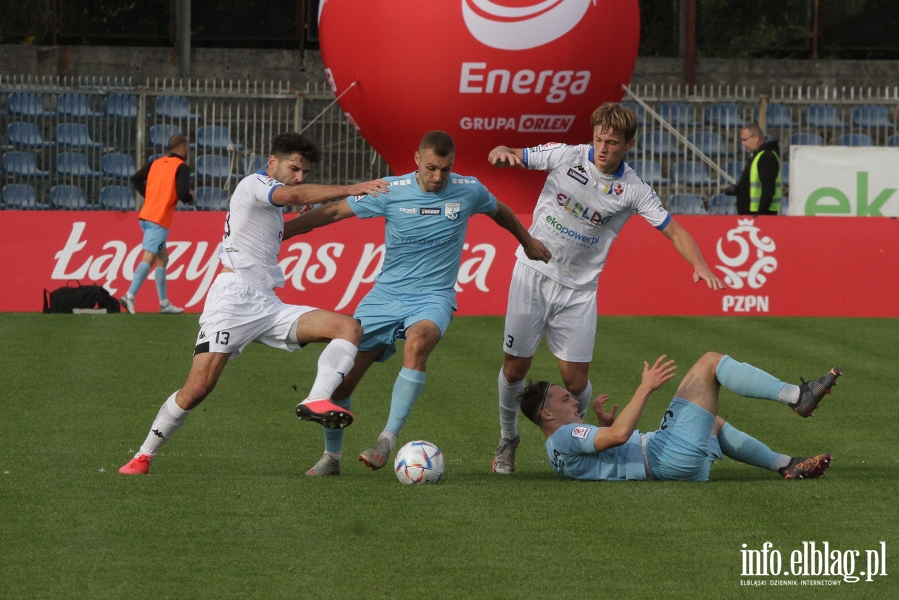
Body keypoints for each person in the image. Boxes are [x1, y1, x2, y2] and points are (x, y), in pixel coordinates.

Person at [118, 133, 391, 475]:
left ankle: (315, 398)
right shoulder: (254, 183)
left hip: (267, 303)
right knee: (198, 387)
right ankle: (143, 456)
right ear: (272, 163)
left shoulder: (270, 210)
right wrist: (349, 188)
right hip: (233, 299)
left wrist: (341, 205)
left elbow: (299, 223)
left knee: (348, 328)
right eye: (295, 168)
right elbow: (291, 194)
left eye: (304, 172)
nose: (299, 177)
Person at [282, 130, 551, 476]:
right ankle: (331, 458)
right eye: (431, 168)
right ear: (416, 160)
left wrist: (527, 241)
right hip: (384, 297)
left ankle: (386, 439)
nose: (438, 177)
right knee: (343, 381)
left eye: (445, 169)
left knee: (419, 342)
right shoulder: (389, 191)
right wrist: (285, 231)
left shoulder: (469, 190)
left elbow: (500, 211)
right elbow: (334, 212)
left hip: (433, 297)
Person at [487, 102, 726, 474]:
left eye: (612, 142)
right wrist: (502, 152)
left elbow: (673, 229)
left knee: (574, 380)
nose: (602, 148)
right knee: (516, 369)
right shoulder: (565, 155)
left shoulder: (633, 189)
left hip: (578, 291)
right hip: (532, 273)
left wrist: (699, 264)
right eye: (599, 139)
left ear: (628, 144)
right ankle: (508, 439)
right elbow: (514, 154)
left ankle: (589, 440)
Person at [520, 354, 841, 482]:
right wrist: (644, 388)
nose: (573, 399)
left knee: (712, 423)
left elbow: (602, 454)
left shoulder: (555, 450)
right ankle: (798, 396)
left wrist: (604, 425)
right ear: (546, 414)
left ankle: (787, 464)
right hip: (663, 457)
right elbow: (618, 438)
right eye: (564, 399)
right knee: (710, 364)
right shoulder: (565, 435)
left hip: (662, 462)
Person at [121, 134, 194, 314]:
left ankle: (164, 303)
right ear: (183, 148)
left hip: (145, 216)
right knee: (150, 257)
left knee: (163, 258)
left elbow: (136, 178)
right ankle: (129, 296)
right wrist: (189, 197)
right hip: (159, 220)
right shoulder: (182, 167)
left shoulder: (157, 162)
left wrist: (151, 196)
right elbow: (182, 191)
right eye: (188, 147)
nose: (189, 150)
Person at [729, 123, 782, 216]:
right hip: (754, 215)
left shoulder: (766, 157)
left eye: (745, 140)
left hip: (759, 216)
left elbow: (768, 189)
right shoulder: (758, 156)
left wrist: (759, 215)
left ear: (756, 137)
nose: (743, 144)